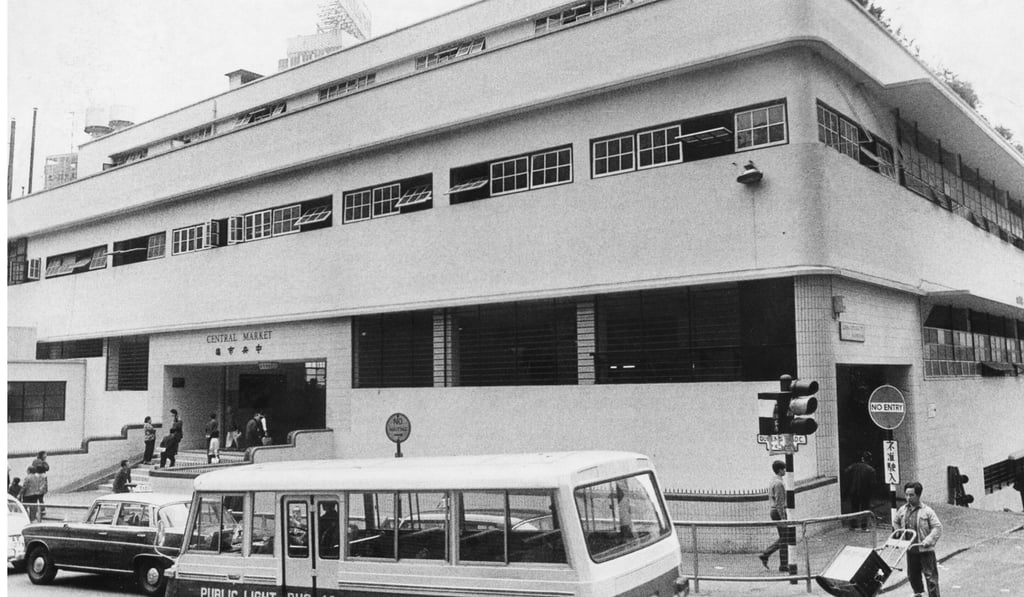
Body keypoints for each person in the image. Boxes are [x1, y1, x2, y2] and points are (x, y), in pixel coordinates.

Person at [894, 481, 943, 597]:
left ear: (918, 495)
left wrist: (928, 540)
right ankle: (919, 594)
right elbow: (896, 521)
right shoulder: (903, 510)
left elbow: (937, 527)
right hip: (911, 549)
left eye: (911, 495)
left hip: (925, 550)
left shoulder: (927, 511)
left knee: (930, 578)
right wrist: (899, 533)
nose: (908, 498)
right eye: (906, 495)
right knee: (913, 575)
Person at [758, 460, 788, 572]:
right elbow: (779, 502)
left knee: (784, 538)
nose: (785, 471)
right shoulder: (779, 483)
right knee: (785, 537)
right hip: (778, 512)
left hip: (774, 511)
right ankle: (766, 554)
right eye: (784, 469)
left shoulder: (773, 481)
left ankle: (783, 564)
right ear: (780, 470)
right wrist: (783, 518)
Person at [844, 451, 877, 531]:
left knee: (854, 509)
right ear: (870, 460)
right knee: (865, 509)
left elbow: (846, 471)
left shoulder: (854, 466)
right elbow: (873, 484)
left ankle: (853, 526)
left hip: (854, 490)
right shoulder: (871, 470)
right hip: (865, 492)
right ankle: (864, 527)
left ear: (862, 458)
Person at [30, 451, 49, 518]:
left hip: (36, 479)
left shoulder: (35, 461)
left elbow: (33, 469)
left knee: (36, 496)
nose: (46, 456)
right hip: (40, 480)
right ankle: (42, 510)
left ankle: (36, 511)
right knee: (40, 497)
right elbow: (47, 468)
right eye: (45, 455)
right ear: (42, 455)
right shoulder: (42, 462)